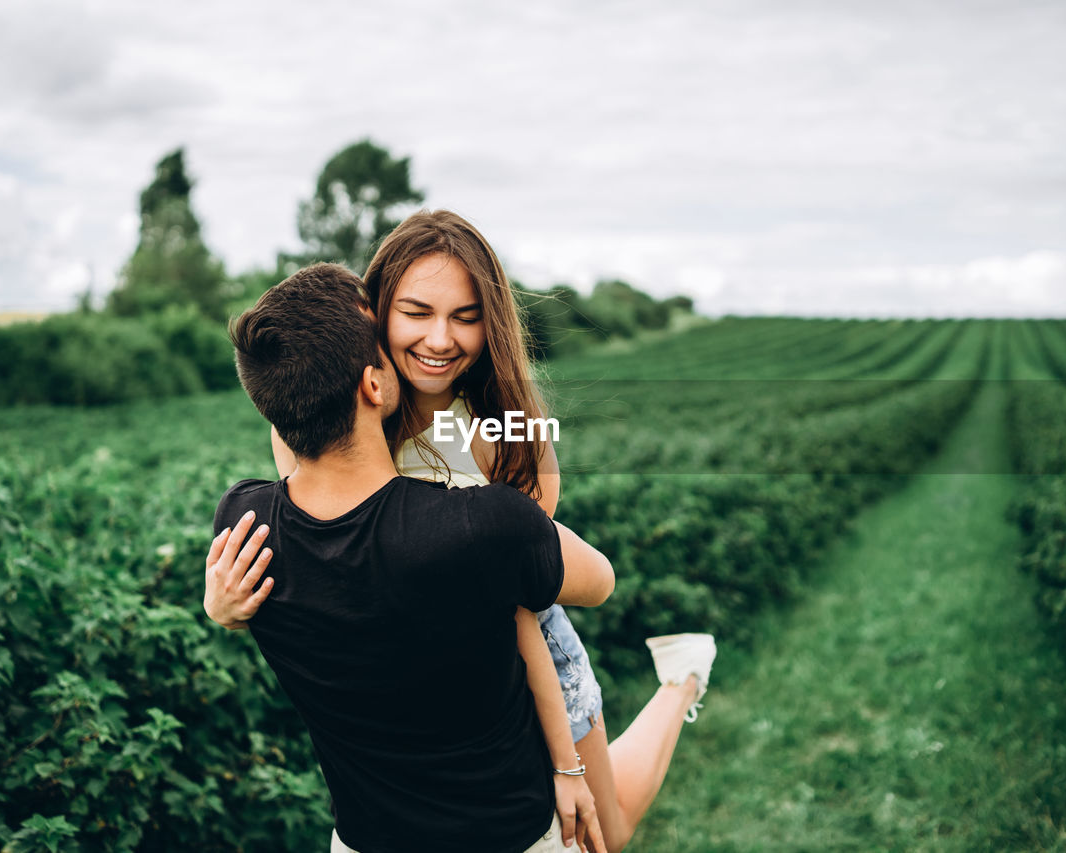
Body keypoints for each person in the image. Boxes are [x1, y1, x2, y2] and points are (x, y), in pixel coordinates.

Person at [210, 210, 717, 852]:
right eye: (416, 313)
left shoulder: (501, 426)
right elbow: (320, 531)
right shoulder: (323, 407)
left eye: (466, 316)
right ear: (375, 314)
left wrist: (562, 761)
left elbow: (520, 576)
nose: (441, 338)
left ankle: (682, 679)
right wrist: (224, 605)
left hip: (520, 628)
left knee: (603, 836)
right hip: (422, 643)